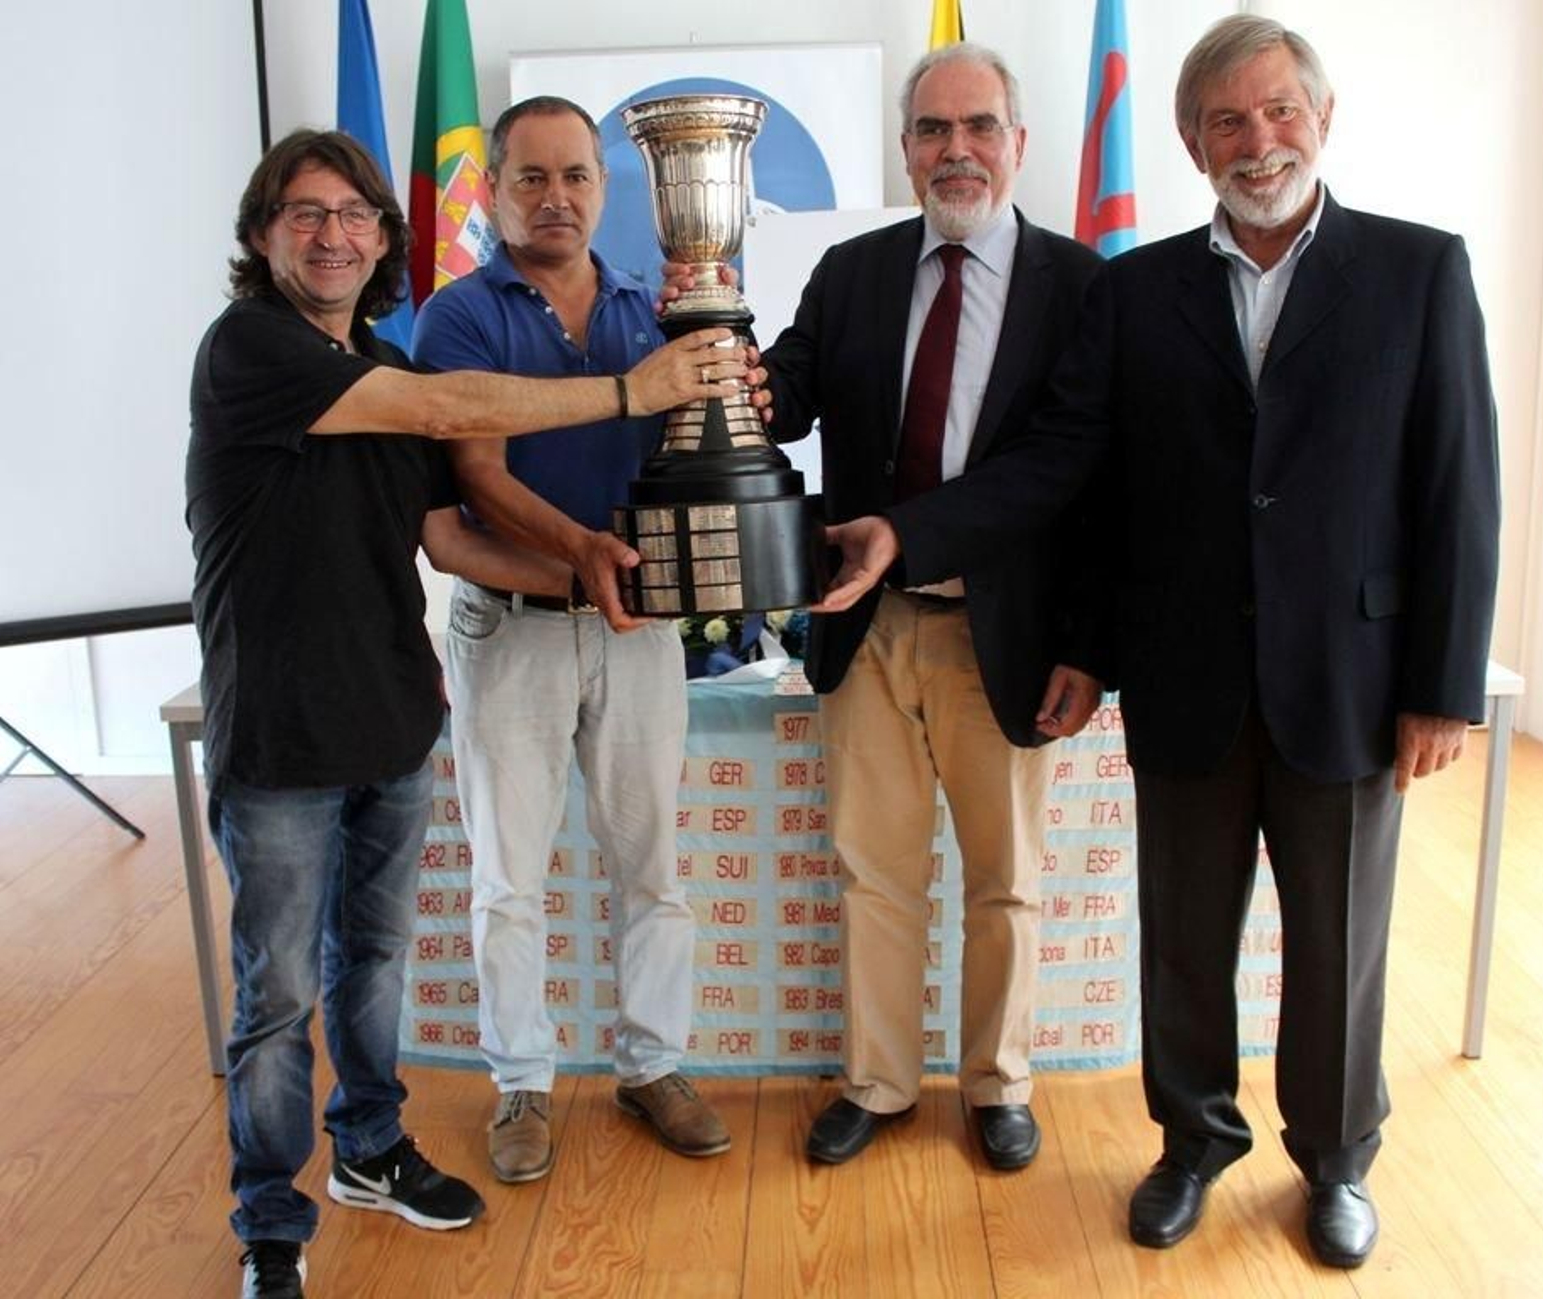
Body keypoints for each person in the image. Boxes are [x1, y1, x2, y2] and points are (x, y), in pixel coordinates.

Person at [188, 128, 743, 1299]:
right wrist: (627, 391)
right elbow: (454, 422)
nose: (333, 235)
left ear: (384, 237)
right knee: (279, 992)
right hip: (280, 733)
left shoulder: (382, 353)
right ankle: (271, 1221)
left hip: (393, 717)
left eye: (354, 215)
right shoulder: (251, 349)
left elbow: (443, 533)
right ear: (260, 235)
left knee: (375, 962)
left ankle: (374, 1149)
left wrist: (616, 578)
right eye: (305, 214)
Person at [1065, 15, 1498, 1269]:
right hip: (1187, 675)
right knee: (1185, 937)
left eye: (1278, 112)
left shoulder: (1420, 271)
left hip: (1354, 687)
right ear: (1195, 144)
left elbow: (1457, 492)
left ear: (1322, 117)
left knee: (1340, 943)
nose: (1258, 141)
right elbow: (1105, 495)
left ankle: (1337, 1160)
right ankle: (1192, 1140)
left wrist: (1442, 688)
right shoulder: (1135, 290)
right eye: (1226, 121)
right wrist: (1088, 648)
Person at [723, 43, 1112, 1170]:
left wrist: (1082, 641)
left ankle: (997, 1085)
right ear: (905, 151)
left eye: (978, 127)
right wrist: (730, 361)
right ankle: (881, 1082)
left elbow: (1072, 471)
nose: (957, 151)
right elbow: (787, 397)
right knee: (875, 872)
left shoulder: (1082, 287)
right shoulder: (852, 271)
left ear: (1017, 144)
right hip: (868, 626)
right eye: (933, 131)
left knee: (1005, 883)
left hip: (1009, 636)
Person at [411, 96, 732, 1183]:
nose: (556, 198)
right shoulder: (456, 316)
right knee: (509, 877)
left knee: (654, 866)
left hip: (638, 633)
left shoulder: (656, 307)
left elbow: (698, 457)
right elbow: (477, 476)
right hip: (513, 633)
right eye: (532, 178)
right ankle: (520, 1087)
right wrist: (585, 560)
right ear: (494, 191)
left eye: (577, 177)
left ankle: (653, 1066)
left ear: (607, 189)